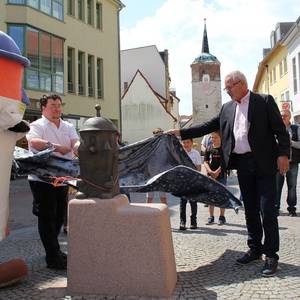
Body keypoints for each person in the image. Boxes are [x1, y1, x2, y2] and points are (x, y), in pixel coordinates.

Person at [167, 70, 290, 277]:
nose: (227, 92)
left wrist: (283, 155)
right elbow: (207, 126)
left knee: (267, 209)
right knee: (249, 208)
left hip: (264, 163)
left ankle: (271, 255)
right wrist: (180, 132)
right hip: (242, 164)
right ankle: (254, 248)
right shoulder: (227, 108)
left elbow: (280, 130)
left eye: (228, 88)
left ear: (241, 83)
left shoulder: (264, 101)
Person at [26, 94, 80, 270]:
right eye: (52, 105)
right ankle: (53, 257)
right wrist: (55, 147)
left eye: (58, 105)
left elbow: (75, 142)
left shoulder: (68, 125)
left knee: (58, 217)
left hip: (62, 179)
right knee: (47, 217)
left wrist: (79, 147)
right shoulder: (37, 125)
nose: (57, 108)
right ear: (44, 108)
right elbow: (34, 143)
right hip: (42, 179)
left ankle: (54, 251)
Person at [276, 109, 299, 217]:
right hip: (277, 162)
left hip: (292, 162)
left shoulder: (296, 128)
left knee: (292, 186)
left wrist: (291, 142)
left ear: (289, 117)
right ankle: (276, 207)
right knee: (276, 186)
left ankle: (292, 208)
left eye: (285, 115)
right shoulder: (275, 128)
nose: (283, 117)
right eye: (281, 116)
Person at [203, 131, 227, 225]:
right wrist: (210, 171)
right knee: (210, 197)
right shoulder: (209, 148)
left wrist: (217, 172)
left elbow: (226, 162)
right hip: (210, 175)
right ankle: (211, 217)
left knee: (222, 195)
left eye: (216, 137)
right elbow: (205, 161)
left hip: (221, 176)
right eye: (212, 137)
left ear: (220, 137)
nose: (213, 139)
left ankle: (222, 216)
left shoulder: (224, 149)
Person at [179, 138, 202, 230]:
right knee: (183, 203)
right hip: (182, 182)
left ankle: (193, 222)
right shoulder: (179, 153)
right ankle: (182, 222)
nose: (186, 144)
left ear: (192, 143)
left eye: (187, 142)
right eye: (184, 142)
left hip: (193, 181)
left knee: (193, 202)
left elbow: (199, 168)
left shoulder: (196, 153)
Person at [146, 128, 168, 204]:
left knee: (163, 197)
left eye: (160, 136)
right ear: (154, 136)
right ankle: (148, 213)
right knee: (150, 197)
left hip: (161, 174)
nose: (159, 138)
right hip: (151, 174)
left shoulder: (165, 146)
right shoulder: (149, 146)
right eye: (157, 136)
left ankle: (165, 213)